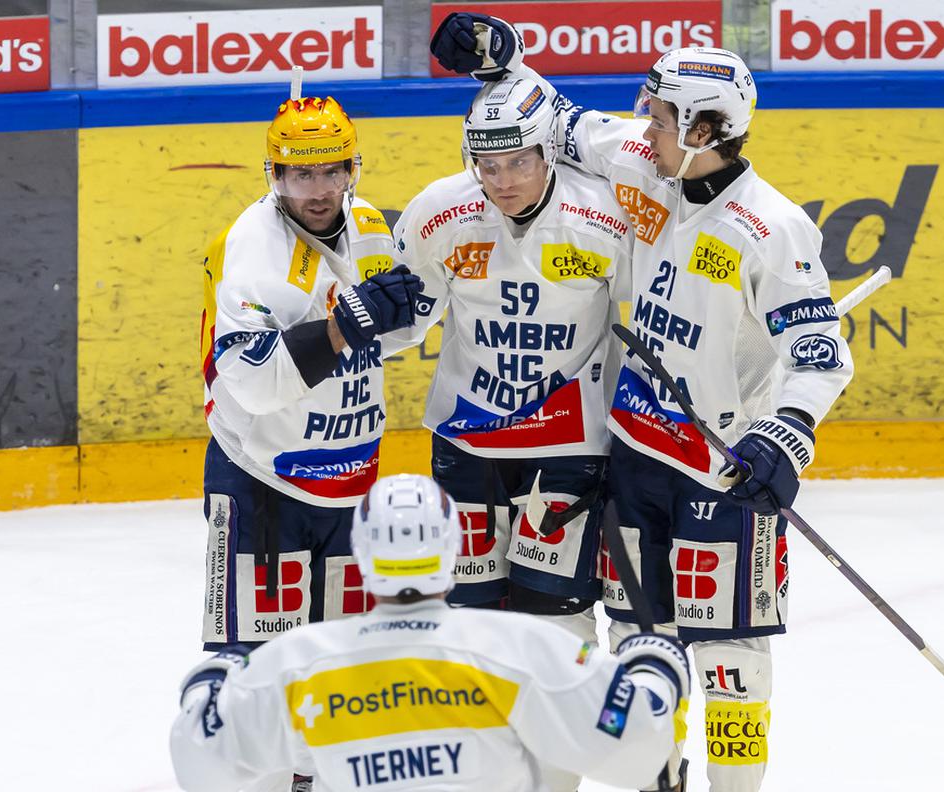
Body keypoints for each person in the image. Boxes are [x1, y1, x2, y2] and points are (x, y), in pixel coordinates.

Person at [431, 15, 855, 791]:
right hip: (633, 458)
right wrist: (501, 59)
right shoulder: (639, 161)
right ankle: (657, 779)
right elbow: (554, 120)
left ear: (706, 128)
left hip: (722, 476)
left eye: (659, 116)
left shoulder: (774, 228)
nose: (643, 125)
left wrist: (783, 438)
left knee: (729, 660)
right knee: (636, 645)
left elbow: (822, 357)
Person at [170, 474, 691, 792]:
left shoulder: (298, 663)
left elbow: (200, 765)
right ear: (452, 547)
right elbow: (636, 753)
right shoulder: (522, 647)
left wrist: (212, 680)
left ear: (362, 554)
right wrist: (656, 667)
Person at [391, 73, 633, 646]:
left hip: (569, 444)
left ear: (549, 152)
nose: (502, 181)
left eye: (519, 162)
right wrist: (359, 317)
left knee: (556, 624)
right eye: (487, 165)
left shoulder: (602, 215)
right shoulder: (440, 211)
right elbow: (403, 321)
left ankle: (565, 736)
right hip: (468, 443)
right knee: (471, 624)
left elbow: (660, 309)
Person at [198, 94, 425, 652]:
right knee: (255, 666)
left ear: (353, 170)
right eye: (301, 174)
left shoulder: (369, 225)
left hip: (352, 482)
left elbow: (390, 333)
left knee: (345, 663)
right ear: (274, 174)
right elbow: (249, 382)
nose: (320, 190)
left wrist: (404, 307)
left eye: (332, 171)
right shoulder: (250, 253)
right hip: (262, 480)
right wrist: (344, 324)